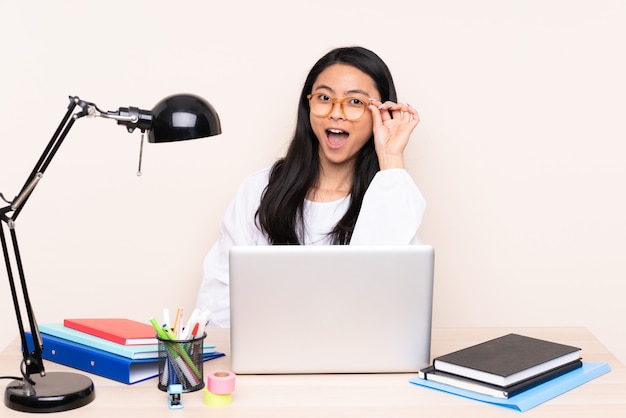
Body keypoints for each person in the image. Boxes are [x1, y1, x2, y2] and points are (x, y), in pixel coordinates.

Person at [196, 46, 426, 327]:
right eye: (324, 98)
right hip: (268, 359)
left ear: (382, 113)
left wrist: (390, 157)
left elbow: (393, 301)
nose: (336, 113)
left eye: (355, 102)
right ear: (308, 106)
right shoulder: (258, 190)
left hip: (358, 360)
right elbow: (217, 301)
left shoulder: (392, 195)